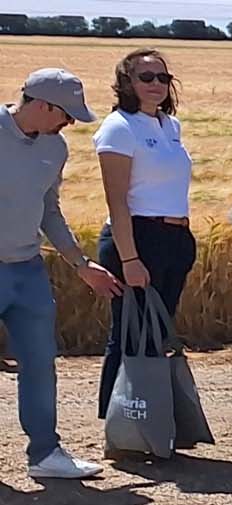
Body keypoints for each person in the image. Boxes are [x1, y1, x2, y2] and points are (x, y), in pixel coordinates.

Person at [5, 68, 123, 479]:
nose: (69, 123)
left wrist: (81, 264)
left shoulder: (54, 148)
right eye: (66, 114)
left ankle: (45, 455)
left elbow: (49, 210)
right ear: (41, 105)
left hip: (27, 270)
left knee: (40, 362)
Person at [93, 49, 196, 419]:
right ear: (127, 83)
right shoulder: (119, 127)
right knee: (129, 333)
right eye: (146, 77)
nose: (156, 85)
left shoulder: (170, 126)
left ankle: (148, 415)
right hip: (136, 237)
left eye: (163, 78)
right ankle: (117, 420)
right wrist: (129, 258)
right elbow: (117, 201)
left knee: (158, 332)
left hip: (175, 237)